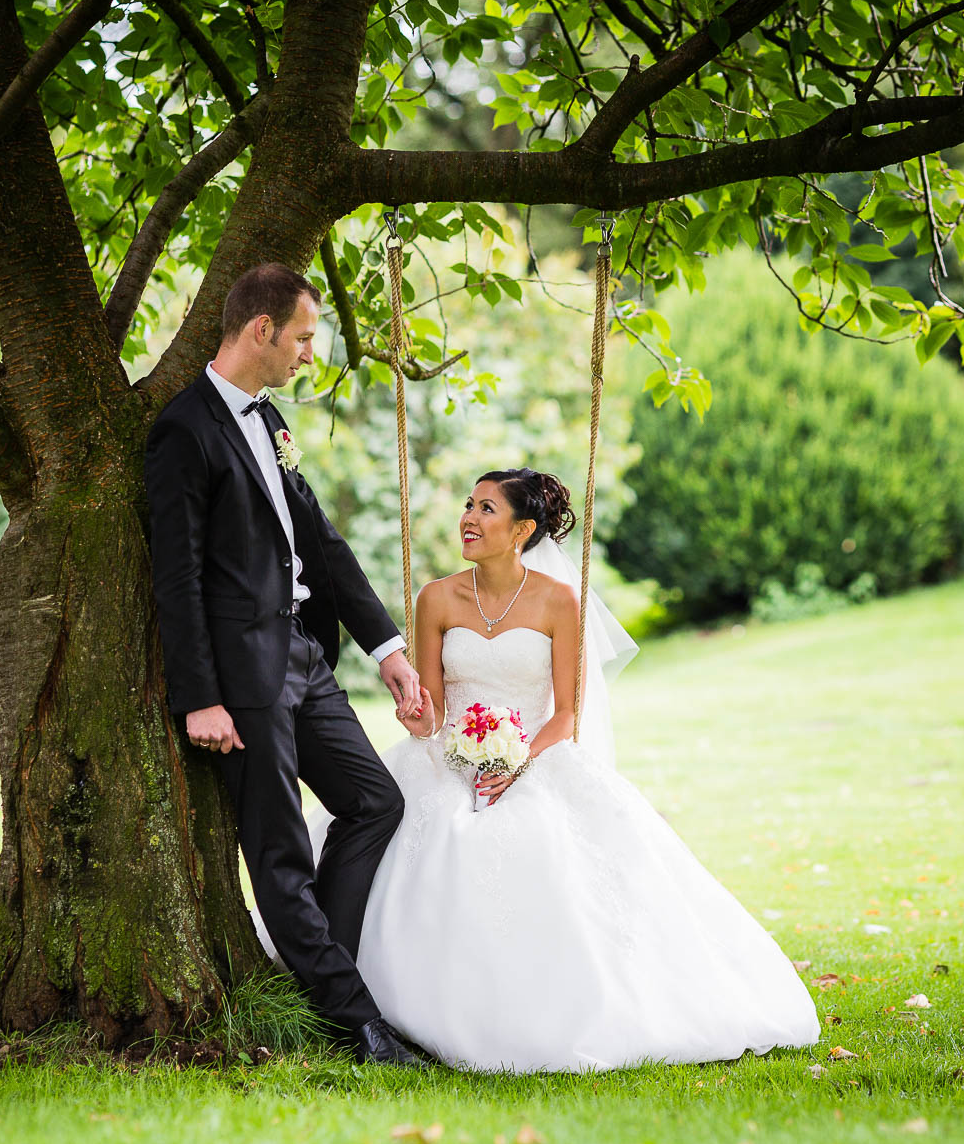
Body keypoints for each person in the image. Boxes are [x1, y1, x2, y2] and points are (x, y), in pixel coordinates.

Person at [266, 468, 821, 1072]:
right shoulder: (437, 598)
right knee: (424, 827)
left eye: (487, 510)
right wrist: (416, 713)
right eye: (469, 505)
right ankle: (360, 996)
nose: (469, 519)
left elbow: (565, 716)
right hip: (449, 759)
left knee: (541, 844)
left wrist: (515, 761)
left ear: (523, 529)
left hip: (533, 756)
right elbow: (430, 716)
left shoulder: (559, 601)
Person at [144, 262, 426, 1067]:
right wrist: (199, 698)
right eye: (304, 337)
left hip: (305, 654)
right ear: (261, 330)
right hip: (240, 676)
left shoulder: (269, 424)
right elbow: (178, 577)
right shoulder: (184, 431)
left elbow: (323, 545)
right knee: (278, 850)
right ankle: (358, 1025)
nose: (311, 352)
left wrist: (390, 651)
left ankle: (320, 979)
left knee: (375, 802)